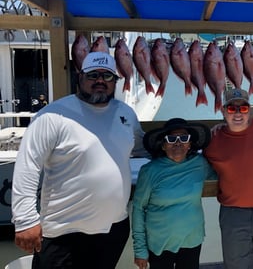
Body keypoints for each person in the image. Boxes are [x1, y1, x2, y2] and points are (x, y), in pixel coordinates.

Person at [11, 51, 146, 269]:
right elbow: (27, 167)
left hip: (112, 229)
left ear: (115, 81)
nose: (100, 80)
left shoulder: (126, 113)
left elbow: (142, 148)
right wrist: (25, 220)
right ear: (80, 77)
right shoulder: (52, 115)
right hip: (61, 232)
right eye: (93, 75)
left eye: (107, 76)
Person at [204, 88, 253, 269]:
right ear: (223, 112)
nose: (238, 113)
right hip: (233, 214)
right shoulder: (213, 139)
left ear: (250, 111)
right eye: (232, 109)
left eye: (243, 109)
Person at [132, 118, 216, 269]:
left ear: (190, 144)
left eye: (184, 138)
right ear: (163, 145)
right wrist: (140, 250)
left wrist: (223, 129)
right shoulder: (149, 171)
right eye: (171, 139)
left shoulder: (200, 164)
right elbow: (138, 209)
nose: (178, 142)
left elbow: (226, 172)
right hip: (159, 243)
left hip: (192, 239)